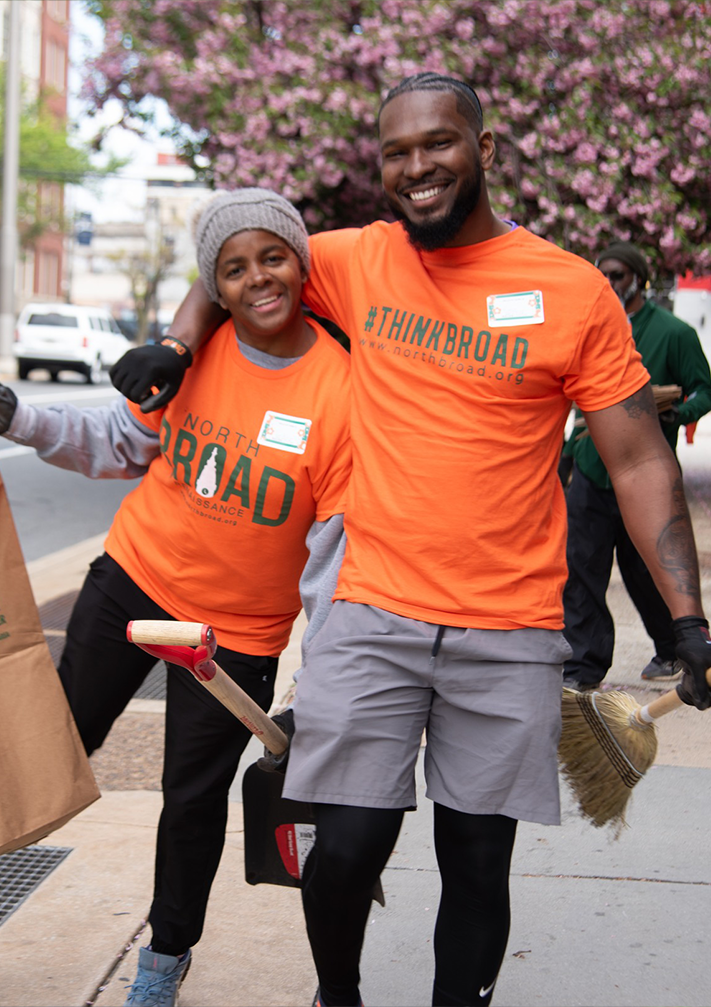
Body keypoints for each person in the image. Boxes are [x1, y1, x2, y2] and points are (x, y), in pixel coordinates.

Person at [109, 74, 711, 1007]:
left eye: (438, 144)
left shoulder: (570, 289)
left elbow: (635, 460)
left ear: (485, 150)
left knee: (476, 858)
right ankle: (339, 996)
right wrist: (179, 346)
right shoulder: (354, 259)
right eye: (395, 152)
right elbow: (235, 256)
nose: (416, 167)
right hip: (371, 611)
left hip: (507, 626)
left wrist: (686, 618)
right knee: (342, 845)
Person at [0, 188, 351, 1007]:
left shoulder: (340, 389)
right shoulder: (197, 356)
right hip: (131, 579)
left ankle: (163, 960)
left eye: (272, 257)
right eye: (233, 268)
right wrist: (17, 415)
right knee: (45, 745)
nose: (257, 279)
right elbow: (117, 441)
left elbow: (332, 563)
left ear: (301, 264)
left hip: (236, 639)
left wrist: (315, 689)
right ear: (214, 287)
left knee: (192, 802)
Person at [561, 242, 711, 691]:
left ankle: (670, 649)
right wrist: (568, 455)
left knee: (646, 573)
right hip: (591, 471)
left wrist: (675, 414)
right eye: (603, 274)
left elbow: (704, 390)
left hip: (643, 473)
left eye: (619, 275)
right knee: (582, 570)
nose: (610, 283)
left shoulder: (674, 333)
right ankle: (582, 669)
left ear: (640, 279)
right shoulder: (587, 329)